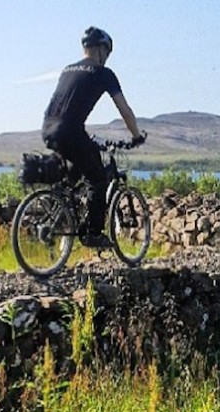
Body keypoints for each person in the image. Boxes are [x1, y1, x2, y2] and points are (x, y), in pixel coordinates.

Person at [42, 26, 145, 247]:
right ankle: (93, 234)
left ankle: (61, 210)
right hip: (70, 131)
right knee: (97, 179)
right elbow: (124, 110)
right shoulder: (103, 73)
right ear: (100, 49)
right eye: (107, 53)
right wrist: (136, 136)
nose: (107, 58)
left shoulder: (67, 69)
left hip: (48, 129)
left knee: (77, 166)